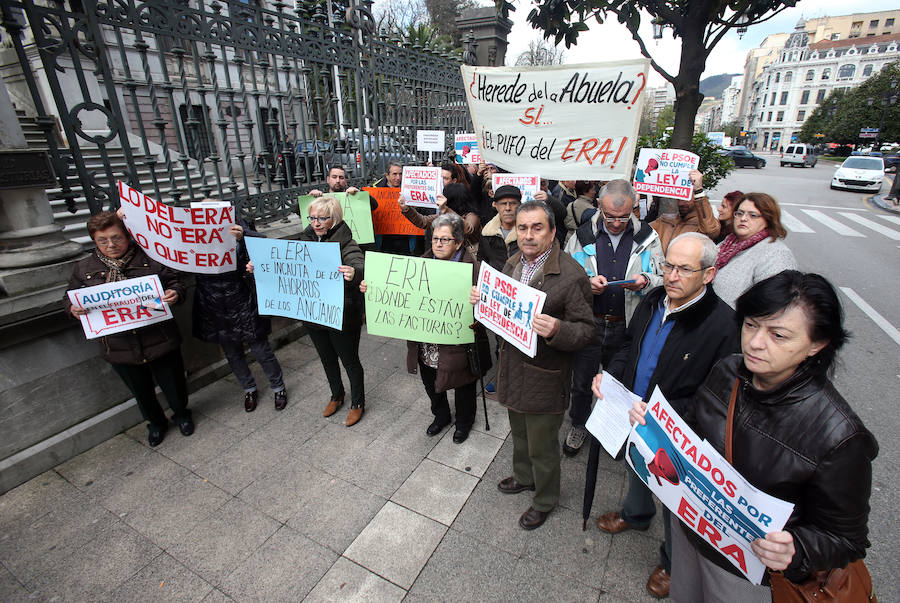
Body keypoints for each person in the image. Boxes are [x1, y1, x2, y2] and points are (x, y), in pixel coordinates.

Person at [645, 271, 878, 601]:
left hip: (749, 574)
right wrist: (655, 425)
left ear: (817, 344)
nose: (755, 342)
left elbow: (847, 539)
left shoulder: (839, 436)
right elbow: (691, 432)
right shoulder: (727, 370)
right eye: (751, 325)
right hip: (691, 532)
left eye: (778, 335)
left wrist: (796, 549)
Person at [591, 232, 739, 598]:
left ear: (709, 274)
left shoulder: (724, 325)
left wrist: (664, 414)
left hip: (680, 432)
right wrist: (611, 377)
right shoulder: (654, 298)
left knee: (677, 502)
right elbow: (629, 344)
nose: (671, 276)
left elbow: (718, 398)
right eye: (668, 265)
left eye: (684, 269)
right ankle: (636, 515)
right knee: (635, 467)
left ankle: (674, 563)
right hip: (632, 411)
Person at [470, 200, 594, 530]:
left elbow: (585, 331)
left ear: (552, 232)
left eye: (537, 228)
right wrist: (483, 301)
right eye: (523, 228)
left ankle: (545, 499)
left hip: (544, 375)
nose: (528, 235)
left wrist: (557, 329)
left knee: (542, 445)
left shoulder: (571, 275)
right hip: (513, 368)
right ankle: (524, 477)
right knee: (521, 434)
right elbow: (505, 310)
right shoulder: (513, 262)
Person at [65, 211, 193, 447]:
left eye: (116, 238)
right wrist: (73, 309)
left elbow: (176, 281)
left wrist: (175, 293)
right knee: (141, 392)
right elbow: (70, 298)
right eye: (102, 240)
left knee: (173, 382)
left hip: (159, 338)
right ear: (94, 241)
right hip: (118, 345)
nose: (110, 245)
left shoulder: (150, 258)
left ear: (127, 236)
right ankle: (156, 423)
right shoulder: (83, 268)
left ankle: (182, 414)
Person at [561, 179, 664, 457]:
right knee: (582, 381)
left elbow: (664, 278)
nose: (616, 223)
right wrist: (587, 283)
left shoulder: (648, 237)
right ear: (598, 206)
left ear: (633, 209)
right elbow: (566, 276)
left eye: (623, 216)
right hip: (589, 322)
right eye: (609, 216)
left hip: (627, 325)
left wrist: (646, 281)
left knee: (619, 384)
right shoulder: (581, 236)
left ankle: (614, 429)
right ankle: (579, 424)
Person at [403, 214, 485, 444]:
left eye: (445, 240)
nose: (438, 244)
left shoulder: (473, 269)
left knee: (464, 384)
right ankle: (441, 415)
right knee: (430, 381)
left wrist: (479, 301)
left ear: (458, 243)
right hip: (428, 341)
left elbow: (488, 312)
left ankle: (464, 422)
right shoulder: (420, 263)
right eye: (435, 239)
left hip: (458, 342)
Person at [192, 213, 286, 412]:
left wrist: (243, 237)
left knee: (261, 350)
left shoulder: (240, 232)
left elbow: (264, 247)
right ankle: (249, 388)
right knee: (233, 354)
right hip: (214, 304)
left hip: (243, 301)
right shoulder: (193, 240)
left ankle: (278, 387)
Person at [298, 196, 367, 426]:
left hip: (341, 314)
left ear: (334, 219)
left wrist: (353, 272)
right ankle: (337, 395)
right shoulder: (306, 239)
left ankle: (357, 402)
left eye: (322, 218)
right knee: (327, 358)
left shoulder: (346, 243)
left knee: (349, 360)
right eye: (313, 218)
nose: (316, 223)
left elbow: (359, 264)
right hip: (313, 312)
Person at [713, 192, 798, 309]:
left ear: (768, 219)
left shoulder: (777, 254)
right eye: (739, 213)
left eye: (752, 215)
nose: (743, 219)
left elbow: (774, 304)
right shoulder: (728, 243)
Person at [398, 183, 481, 256]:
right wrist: (407, 209)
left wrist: (446, 210)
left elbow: (468, 229)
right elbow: (423, 221)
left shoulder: (472, 216)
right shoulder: (444, 215)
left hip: (466, 259)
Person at [650, 170, 720, 252]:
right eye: (679, 198)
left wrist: (699, 191)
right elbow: (638, 230)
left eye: (686, 198)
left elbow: (710, 230)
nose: (681, 203)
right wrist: (635, 205)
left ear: (695, 196)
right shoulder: (665, 221)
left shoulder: (702, 226)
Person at [477, 184, 521, 271]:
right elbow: (482, 261)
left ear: (519, 205)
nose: (508, 208)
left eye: (512, 203)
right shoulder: (487, 233)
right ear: (495, 205)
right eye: (503, 204)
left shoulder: (529, 234)